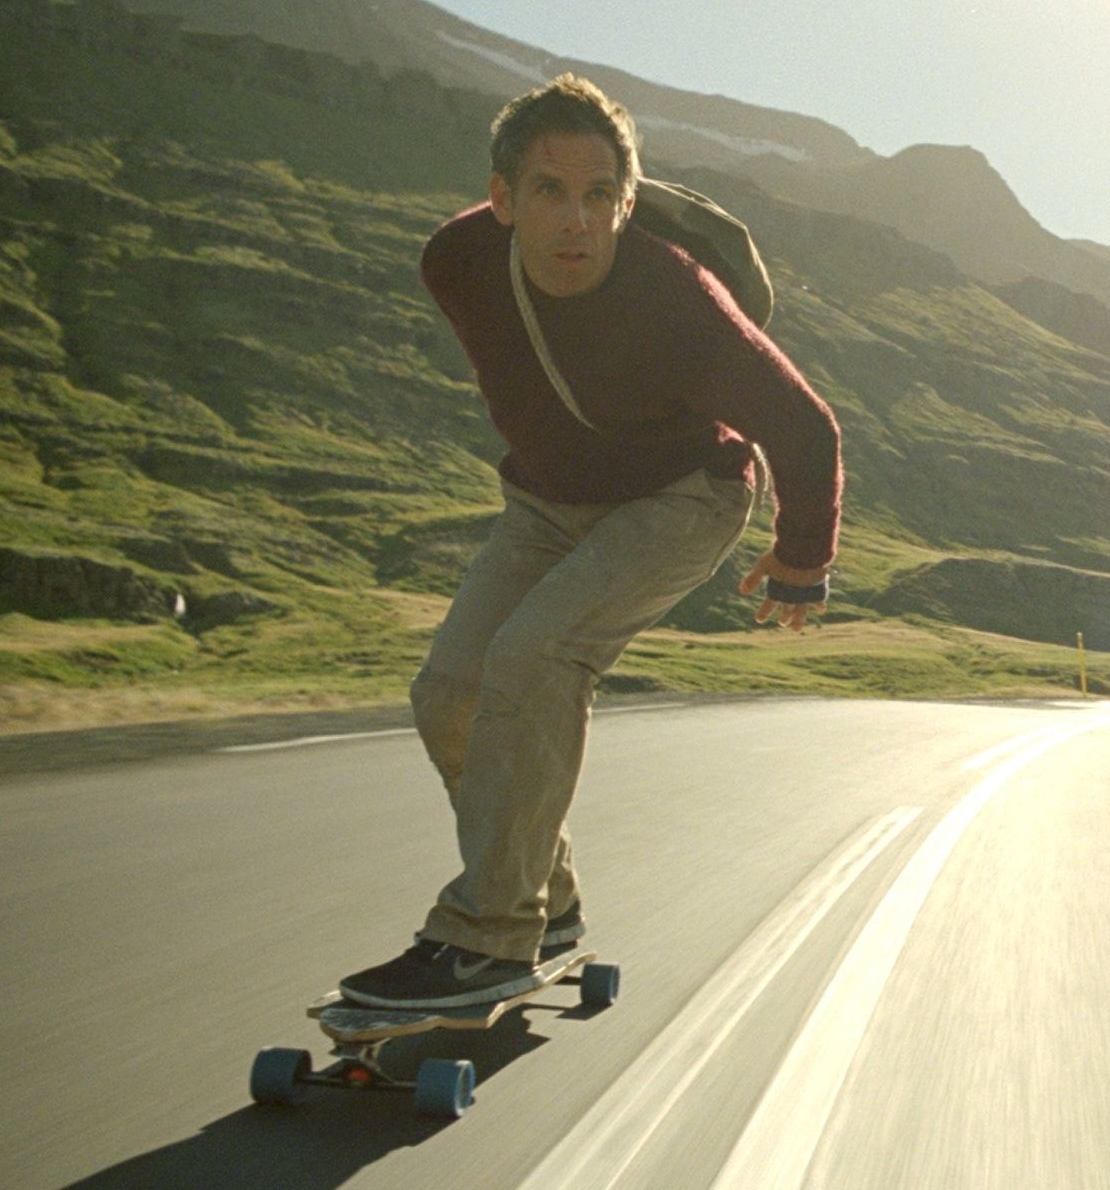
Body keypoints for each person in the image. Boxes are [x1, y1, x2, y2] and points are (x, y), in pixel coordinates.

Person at [339, 74, 842, 1009]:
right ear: (501, 198)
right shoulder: (456, 261)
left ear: (627, 199)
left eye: (601, 195)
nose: (577, 221)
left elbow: (803, 427)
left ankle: (487, 935)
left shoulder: (677, 295)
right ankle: (546, 903)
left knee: (534, 659)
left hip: (683, 496)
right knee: (451, 692)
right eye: (548, 192)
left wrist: (802, 563)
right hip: (548, 502)